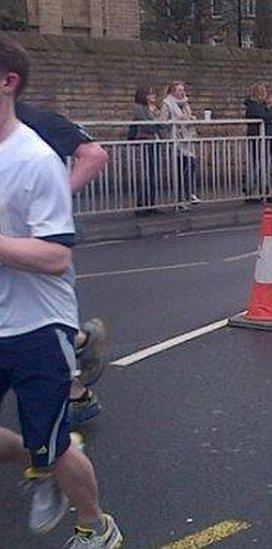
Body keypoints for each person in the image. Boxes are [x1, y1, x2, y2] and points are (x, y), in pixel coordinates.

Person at [0, 35, 123, 548]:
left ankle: (97, 525)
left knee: (53, 446)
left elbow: (55, 257)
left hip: (35, 326)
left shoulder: (34, 159)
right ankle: (41, 461)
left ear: (8, 83)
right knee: (40, 448)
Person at [15, 93, 109, 431]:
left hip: (43, 238)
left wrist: (57, 197)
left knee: (44, 311)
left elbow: (94, 155)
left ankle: (76, 395)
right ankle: (81, 343)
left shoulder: (35, 118)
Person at [160, 81, 201, 211]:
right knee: (181, 169)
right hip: (177, 140)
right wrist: (178, 120)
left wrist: (191, 118)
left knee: (191, 165)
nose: (182, 92)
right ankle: (179, 199)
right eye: (178, 90)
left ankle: (189, 193)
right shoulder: (167, 103)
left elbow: (188, 116)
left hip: (188, 138)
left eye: (183, 90)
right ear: (172, 91)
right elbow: (162, 122)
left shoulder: (185, 103)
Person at [130, 85, 165, 216]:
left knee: (153, 174)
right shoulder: (139, 108)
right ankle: (141, 206)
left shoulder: (154, 109)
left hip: (155, 142)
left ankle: (152, 204)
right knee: (145, 174)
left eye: (154, 94)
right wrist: (156, 123)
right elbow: (148, 125)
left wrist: (156, 119)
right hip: (145, 142)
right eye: (150, 94)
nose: (153, 97)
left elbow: (162, 124)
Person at [243, 84, 272, 202]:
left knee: (260, 165)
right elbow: (266, 116)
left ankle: (262, 191)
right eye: (264, 92)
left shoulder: (257, 105)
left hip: (260, 138)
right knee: (257, 166)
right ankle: (250, 191)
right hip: (257, 138)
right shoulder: (253, 106)